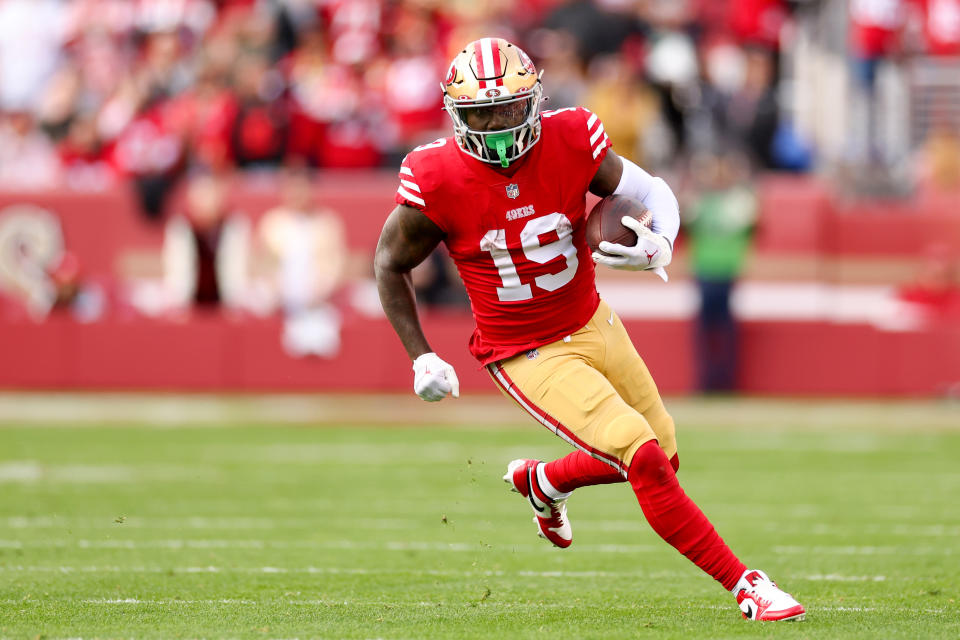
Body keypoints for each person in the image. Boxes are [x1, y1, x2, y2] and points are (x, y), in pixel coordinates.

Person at [374, 37, 804, 622]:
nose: (498, 127)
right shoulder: (437, 175)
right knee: (642, 455)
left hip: (593, 320)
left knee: (663, 459)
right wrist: (419, 354)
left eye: (507, 110)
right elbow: (389, 262)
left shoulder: (571, 135)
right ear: (457, 117)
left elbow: (652, 191)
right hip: (525, 351)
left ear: (535, 101)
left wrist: (661, 240)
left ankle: (546, 481)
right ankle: (746, 584)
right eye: (482, 115)